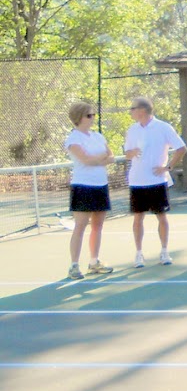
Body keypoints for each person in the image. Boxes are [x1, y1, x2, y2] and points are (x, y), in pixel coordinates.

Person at [124, 96, 186, 267]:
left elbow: (181, 148)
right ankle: (138, 254)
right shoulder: (132, 130)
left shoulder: (163, 127)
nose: (131, 111)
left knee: (161, 217)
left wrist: (168, 167)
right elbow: (127, 153)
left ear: (142, 110)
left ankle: (164, 252)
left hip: (157, 181)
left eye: (133, 108)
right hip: (137, 181)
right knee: (138, 218)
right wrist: (132, 152)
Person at [64, 101, 114, 279]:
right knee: (80, 226)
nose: (92, 118)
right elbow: (86, 159)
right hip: (82, 186)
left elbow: (111, 157)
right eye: (89, 115)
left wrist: (98, 159)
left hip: (100, 185)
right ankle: (74, 265)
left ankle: (94, 262)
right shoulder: (73, 139)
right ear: (79, 117)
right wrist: (100, 158)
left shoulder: (98, 137)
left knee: (97, 226)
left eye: (93, 115)